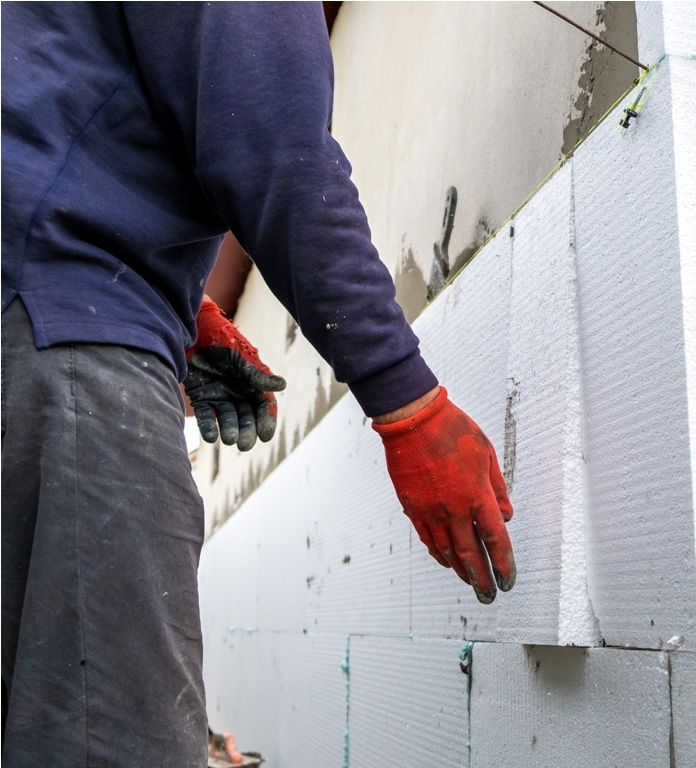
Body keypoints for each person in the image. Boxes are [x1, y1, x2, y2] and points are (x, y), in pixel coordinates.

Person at [0, 3, 516, 764]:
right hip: (61, 345)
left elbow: (51, 142)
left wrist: (182, 313)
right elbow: (276, 153)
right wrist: (409, 403)